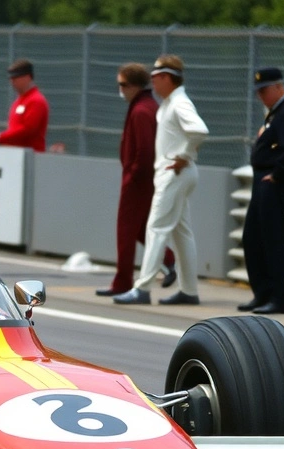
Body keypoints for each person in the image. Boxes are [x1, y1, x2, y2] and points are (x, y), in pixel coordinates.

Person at [114, 55, 208, 306]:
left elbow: (199, 130)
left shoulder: (178, 103)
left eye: (156, 77)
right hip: (176, 173)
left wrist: (184, 155)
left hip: (173, 173)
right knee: (181, 233)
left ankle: (142, 288)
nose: (152, 82)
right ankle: (189, 290)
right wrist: (185, 155)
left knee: (156, 229)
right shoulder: (170, 103)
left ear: (167, 78)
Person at [96, 63, 176, 298]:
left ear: (134, 85)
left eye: (123, 84)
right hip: (145, 178)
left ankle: (122, 282)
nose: (120, 90)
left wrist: (131, 175)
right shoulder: (147, 106)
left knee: (126, 231)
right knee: (141, 228)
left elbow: (144, 151)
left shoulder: (141, 110)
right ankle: (168, 259)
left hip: (138, 180)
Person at [239, 67, 284, 315]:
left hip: (275, 182)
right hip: (264, 181)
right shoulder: (276, 113)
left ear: (278, 87)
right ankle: (263, 293)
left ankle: (279, 298)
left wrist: (276, 174)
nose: (261, 96)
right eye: (258, 92)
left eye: (264, 90)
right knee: (253, 238)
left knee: (273, 241)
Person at [0, 59, 48, 152]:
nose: (12, 81)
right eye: (11, 78)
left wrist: (0, 137)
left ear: (27, 77)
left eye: (15, 78)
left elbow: (28, 130)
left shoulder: (36, 101)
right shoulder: (19, 101)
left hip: (30, 156)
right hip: (16, 154)